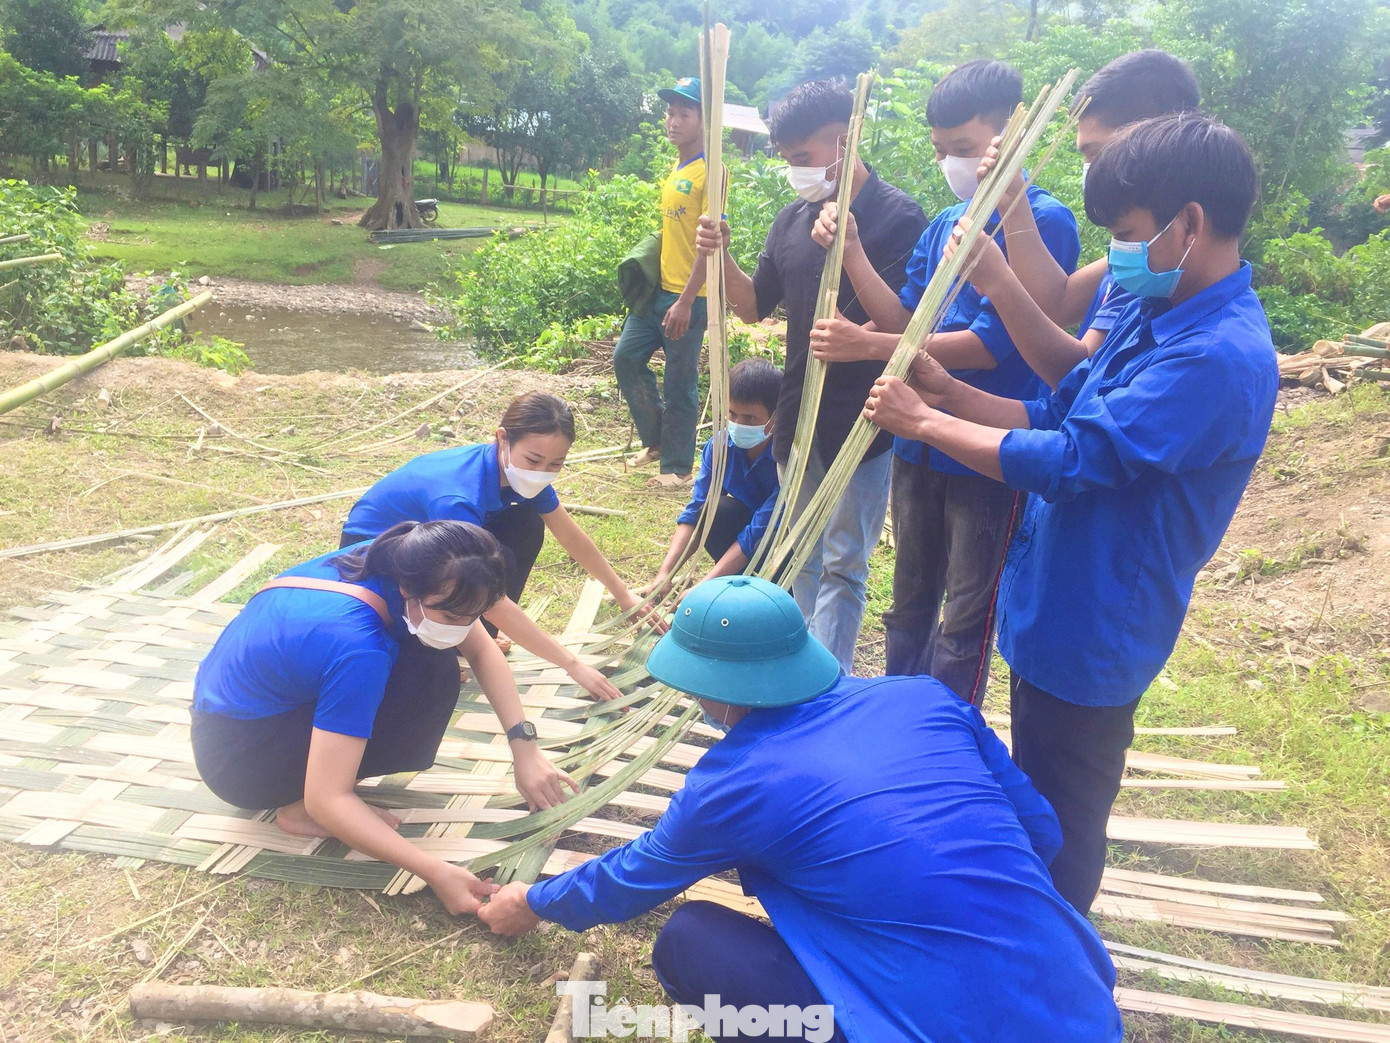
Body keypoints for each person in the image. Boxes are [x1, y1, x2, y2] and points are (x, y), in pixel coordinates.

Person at [862, 112, 1278, 912]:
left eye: (1126, 232)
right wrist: (951, 394)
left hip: (1097, 626)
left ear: (1189, 224)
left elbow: (1076, 459)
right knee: (1037, 799)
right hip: (1052, 604)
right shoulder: (1154, 310)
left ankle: (1054, 972)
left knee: (1065, 822)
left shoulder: (1217, 355)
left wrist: (926, 423)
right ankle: (1031, 940)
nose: (1116, 253)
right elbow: (1062, 411)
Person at [476, 576, 1124, 1043]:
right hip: (1081, 1006)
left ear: (708, 685)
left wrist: (529, 901)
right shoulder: (921, 698)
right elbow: (1040, 830)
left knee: (690, 940)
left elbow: (625, 883)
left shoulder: (737, 782)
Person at [810, 59, 1079, 701]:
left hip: (985, 450)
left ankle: (948, 734)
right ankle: (899, 719)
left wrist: (866, 348)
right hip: (915, 439)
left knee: (965, 615)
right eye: (942, 151)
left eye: (964, 147)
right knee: (908, 603)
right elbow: (906, 318)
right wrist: (851, 254)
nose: (953, 163)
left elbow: (990, 347)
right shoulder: (942, 224)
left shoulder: (1044, 222)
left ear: (1010, 135)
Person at [191, 521, 577, 915]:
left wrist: (524, 748)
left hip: (234, 721)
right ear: (410, 589)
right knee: (432, 671)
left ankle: (314, 785)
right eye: (454, 615)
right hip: (243, 763)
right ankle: (295, 806)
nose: (465, 628)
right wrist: (436, 871)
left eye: (473, 614)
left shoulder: (401, 559)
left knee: (431, 653)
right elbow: (329, 799)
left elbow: (481, 649)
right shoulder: (358, 648)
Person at [695, 79, 927, 673]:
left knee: (845, 561)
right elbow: (751, 306)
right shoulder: (791, 219)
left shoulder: (898, 217)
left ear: (844, 142)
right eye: (788, 158)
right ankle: (796, 673)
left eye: (804, 157)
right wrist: (720, 254)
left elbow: (906, 324)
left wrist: (851, 253)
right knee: (797, 552)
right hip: (797, 414)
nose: (795, 171)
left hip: (864, 420)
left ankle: (826, 683)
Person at [343, 392, 660, 701]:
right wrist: (572, 665)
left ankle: (470, 630)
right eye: (534, 460)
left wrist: (622, 593)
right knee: (488, 565)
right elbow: (488, 594)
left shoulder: (518, 475)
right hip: (373, 557)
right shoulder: (457, 498)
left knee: (526, 524)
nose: (541, 473)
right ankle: (444, 636)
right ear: (502, 439)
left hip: (434, 543)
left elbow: (569, 534)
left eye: (555, 464)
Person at [969, 49, 1202, 386]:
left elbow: (1081, 376)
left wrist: (999, 283)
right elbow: (1058, 300)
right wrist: (1011, 199)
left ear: (1157, 139)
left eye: (1099, 153)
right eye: (1087, 157)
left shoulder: (1162, 261)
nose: (1092, 171)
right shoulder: (1138, 248)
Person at [615, 75, 710, 488]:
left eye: (684, 114)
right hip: (659, 291)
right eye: (670, 113)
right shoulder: (678, 165)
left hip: (689, 295)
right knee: (626, 358)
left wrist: (687, 301)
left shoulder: (712, 172)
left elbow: (711, 246)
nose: (673, 121)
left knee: (680, 384)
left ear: (705, 121)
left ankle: (677, 469)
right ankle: (655, 441)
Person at [646, 358, 782, 592]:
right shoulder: (720, 447)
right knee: (713, 511)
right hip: (748, 534)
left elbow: (761, 529)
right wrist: (665, 572)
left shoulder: (787, 458)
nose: (738, 423)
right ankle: (739, 585)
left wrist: (704, 587)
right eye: (732, 414)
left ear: (775, 418)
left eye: (750, 418)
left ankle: (771, 589)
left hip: (785, 543)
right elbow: (695, 512)